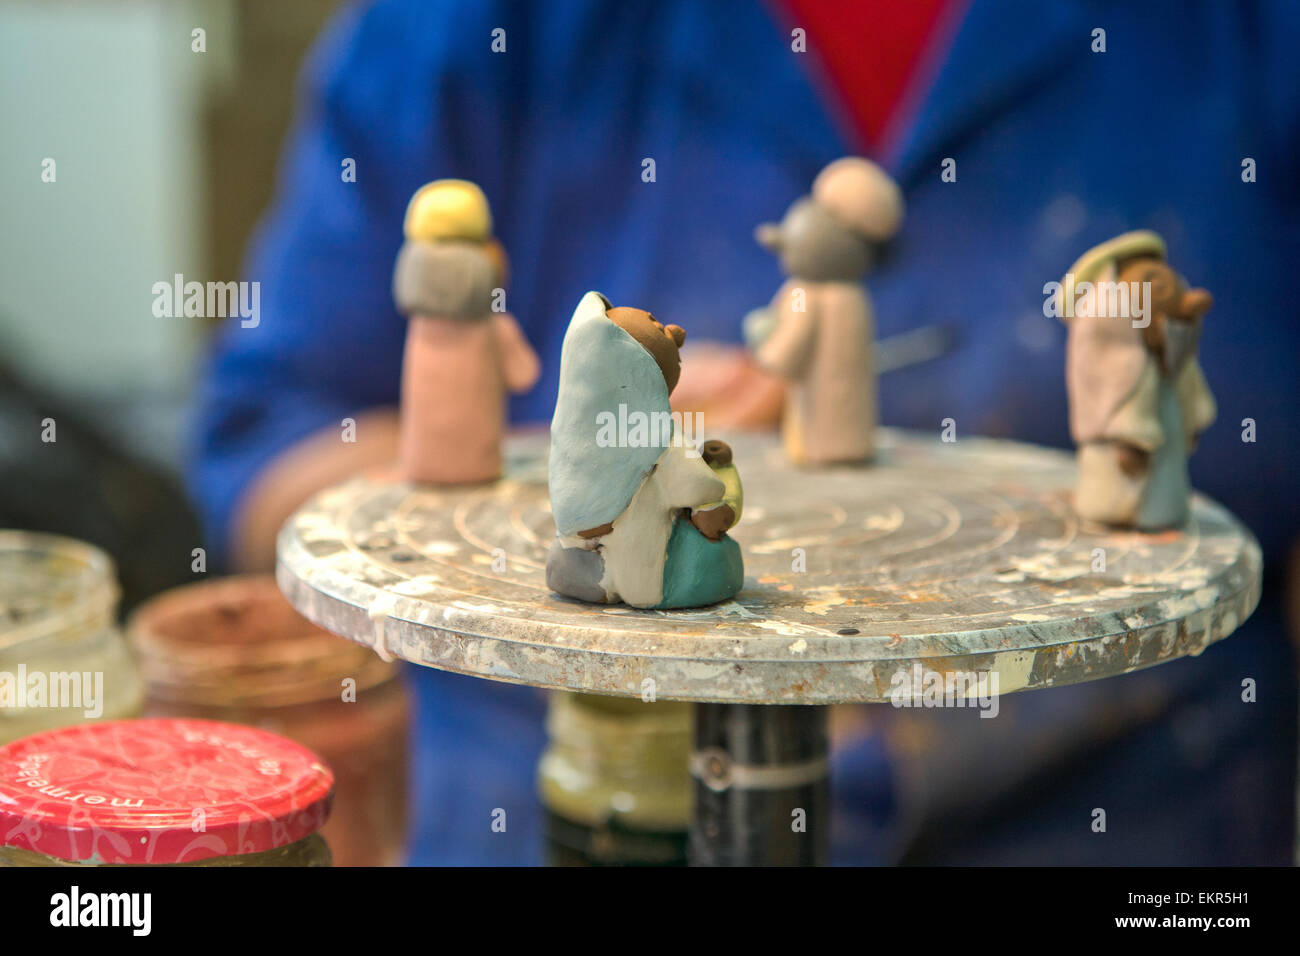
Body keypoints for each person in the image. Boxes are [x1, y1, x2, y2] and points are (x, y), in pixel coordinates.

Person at [190, 0, 1299, 864]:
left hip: (1133, 818)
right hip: (562, 806)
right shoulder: (473, 31)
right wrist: (525, 473)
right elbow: (268, 435)